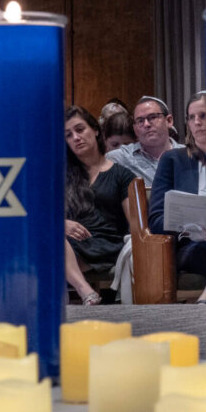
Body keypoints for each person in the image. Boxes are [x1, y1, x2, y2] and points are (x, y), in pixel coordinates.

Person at [64, 105, 137, 305]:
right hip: (69, 241)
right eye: (68, 135)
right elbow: (44, 215)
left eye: (80, 130)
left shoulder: (122, 174)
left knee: (50, 249)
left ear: (95, 130)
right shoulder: (62, 175)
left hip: (106, 243)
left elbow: (134, 224)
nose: (76, 138)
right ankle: (87, 292)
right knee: (49, 240)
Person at [148, 93, 206, 303]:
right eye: (191, 117)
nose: (197, 122)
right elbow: (156, 219)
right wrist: (190, 224)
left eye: (203, 115)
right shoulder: (173, 160)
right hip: (191, 245)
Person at [106, 96, 184, 190]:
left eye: (152, 117)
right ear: (135, 129)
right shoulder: (119, 158)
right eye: (140, 121)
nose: (146, 124)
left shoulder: (190, 155)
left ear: (169, 121)